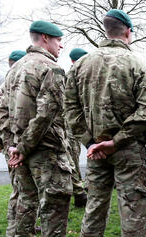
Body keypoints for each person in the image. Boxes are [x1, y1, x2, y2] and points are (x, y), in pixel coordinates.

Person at [64, 9, 146, 237]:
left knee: (95, 205)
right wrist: (116, 141)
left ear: (106, 30)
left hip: (96, 152)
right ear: (127, 31)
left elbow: (69, 110)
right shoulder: (136, 64)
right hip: (126, 150)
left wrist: (91, 142)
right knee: (132, 207)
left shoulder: (80, 65)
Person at [0, 20, 81, 237]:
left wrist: (12, 146)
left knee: (26, 198)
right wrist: (22, 147)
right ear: (45, 38)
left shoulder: (13, 70)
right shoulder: (52, 69)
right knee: (55, 201)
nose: (61, 45)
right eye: (58, 40)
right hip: (45, 150)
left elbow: (0, 112)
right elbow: (47, 114)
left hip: (20, 150)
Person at [0, 50, 29, 237]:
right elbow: (0, 120)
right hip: (15, 150)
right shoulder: (9, 87)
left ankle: (21, 231)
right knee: (20, 192)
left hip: (13, 149)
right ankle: (13, 236)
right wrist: (9, 147)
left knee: (21, 191)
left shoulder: (9, 85)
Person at [66, 48, 89, 208]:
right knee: (73, 159)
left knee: (75, 158)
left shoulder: (72, 75)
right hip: (73, 124)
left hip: (74, 123)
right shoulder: (73, 76)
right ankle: (80, 192)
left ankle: (82, 189)